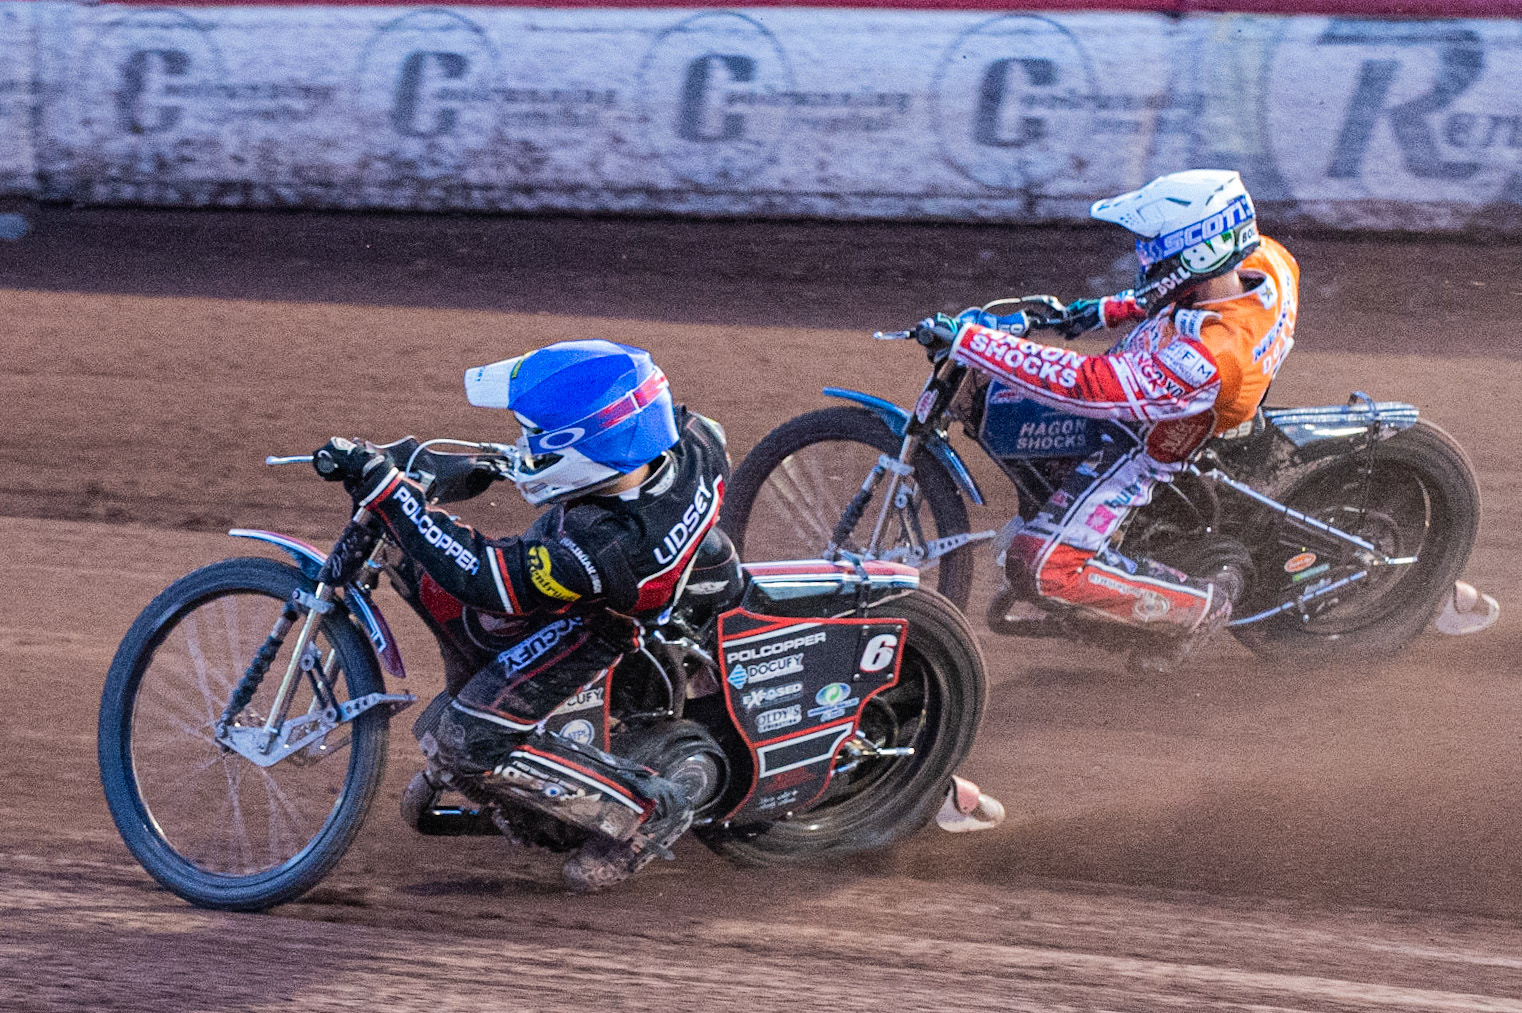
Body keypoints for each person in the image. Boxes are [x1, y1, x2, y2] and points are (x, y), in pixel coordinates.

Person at [312, 339, 730, 890]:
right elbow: (600, 453)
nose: (525, 443)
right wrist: (475, 466)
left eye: (538, 437)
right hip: (650, 561)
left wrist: (394, 496)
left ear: (585, 447)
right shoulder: (692, 438)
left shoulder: (604, 548)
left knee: (467, 737)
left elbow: (486, 579)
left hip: (598, 621)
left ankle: (647, 813)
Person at [917, 169, 1300, 672]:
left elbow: (1093, 384)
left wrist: (976, 343)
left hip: (1151, 442)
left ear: (1200, 251)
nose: (1143, 258)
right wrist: (1082, 315)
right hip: (1176, 391)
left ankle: (1197, 608)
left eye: (1153, 248)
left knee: (1038, 566)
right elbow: (1159, 299)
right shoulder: (1262, 261)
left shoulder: (1213, 357)